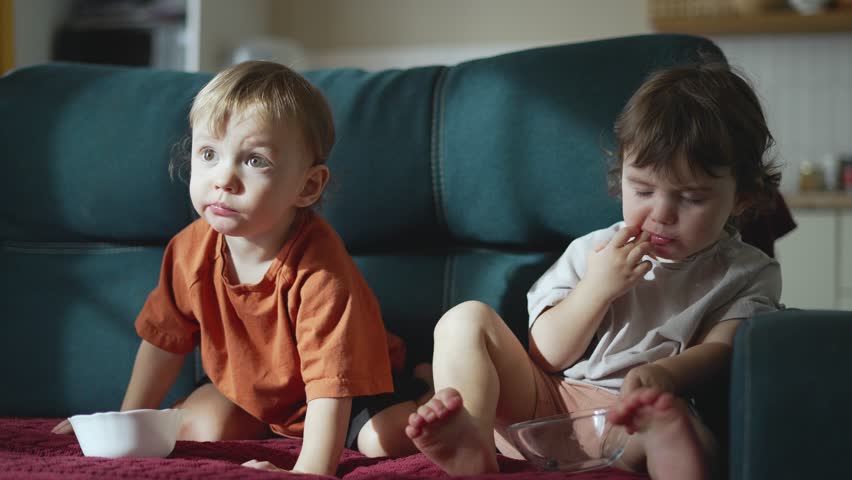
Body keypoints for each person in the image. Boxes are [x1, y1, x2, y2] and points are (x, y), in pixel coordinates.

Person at [405, 60, 783, 480]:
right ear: (621, 176)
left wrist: (665, 375)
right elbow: (545, 354)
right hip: (548, 407)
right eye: (642, 189)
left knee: (674, 424)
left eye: (691, 198)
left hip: (636, 418)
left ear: (743, 197)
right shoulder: (594, 251)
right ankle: (471, 440)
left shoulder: (747, 271)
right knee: (465, 319)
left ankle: (669, 447)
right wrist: (596, 289)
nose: (661, 214)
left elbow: (725, 349)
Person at [52, 60, 430, 476]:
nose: (224, 178)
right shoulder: (189, 249)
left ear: (307, 186)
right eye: (209, 154)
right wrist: (124, 426)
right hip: (253, 390)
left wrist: (310, 471)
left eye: (254, 161)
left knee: (385, 440)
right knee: (205, 427)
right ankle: (267, 425)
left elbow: (331, 384)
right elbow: (164, 339)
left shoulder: (322, 271)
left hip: (346, 391)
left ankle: (425, 386)